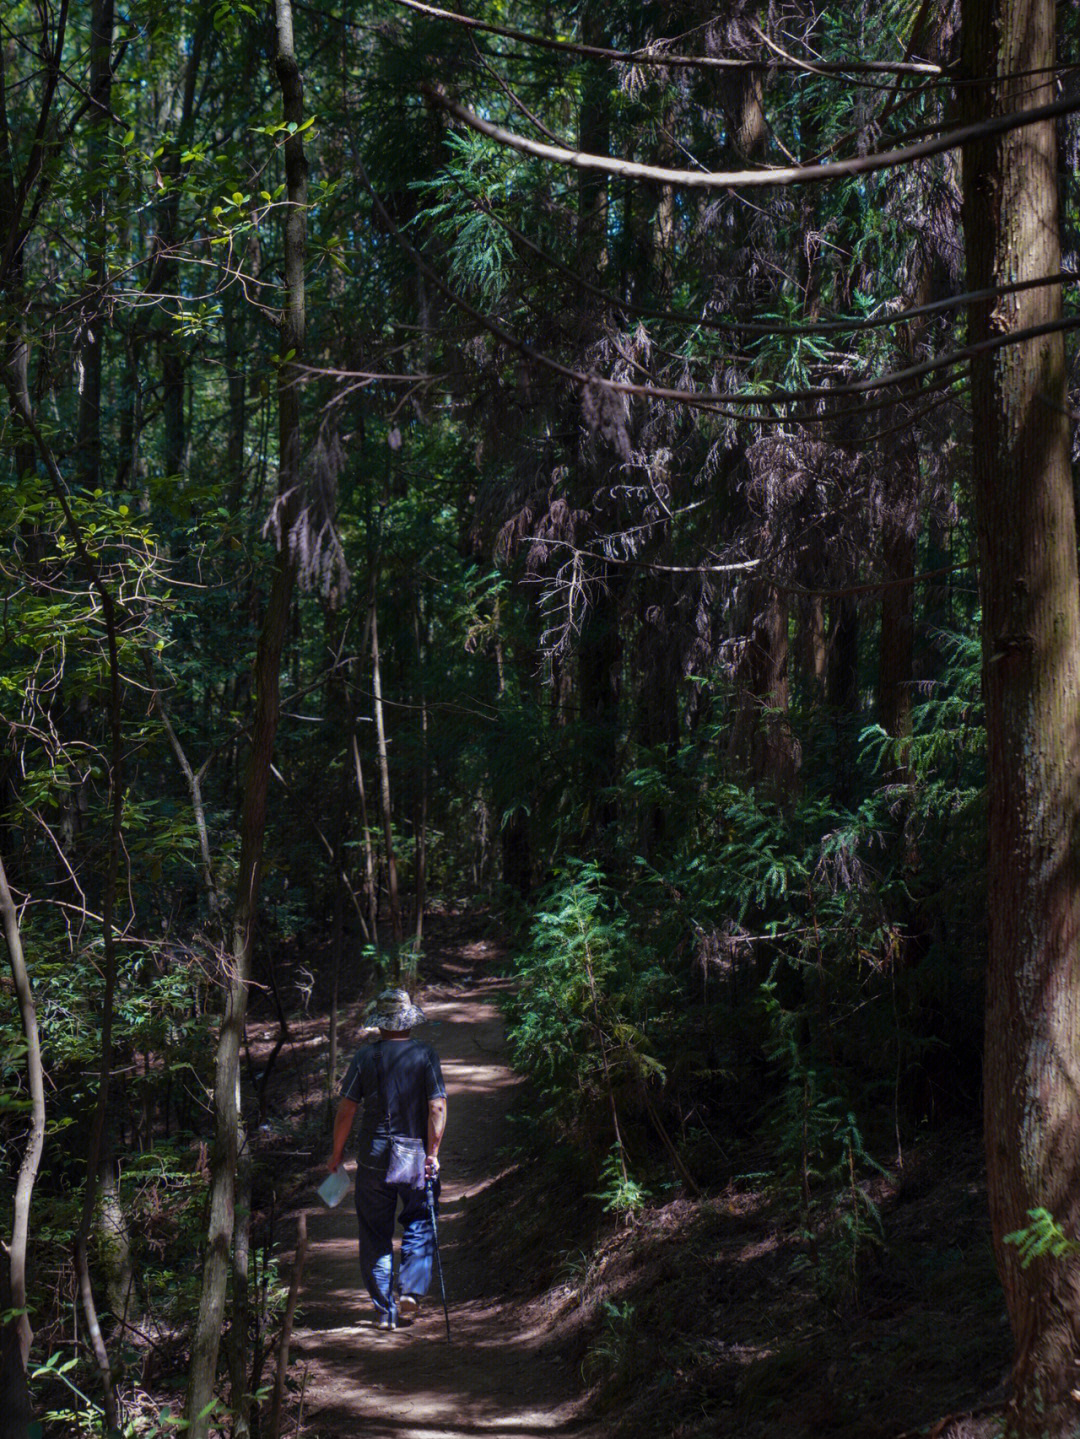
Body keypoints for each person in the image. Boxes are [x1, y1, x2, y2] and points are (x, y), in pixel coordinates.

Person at [327, 987, 447, 1331]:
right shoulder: (426, 1055)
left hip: (374, 1159)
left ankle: (385, 1311)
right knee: (420, 1220)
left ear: (380, 1024)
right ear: (408, 1021)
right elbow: (436, 1106)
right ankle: (410, 1291)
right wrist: (433, 1154)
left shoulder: (366, 1058)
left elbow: (347, 1110)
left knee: (375, 1233)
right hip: (415, 1157)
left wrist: (337, 1155)